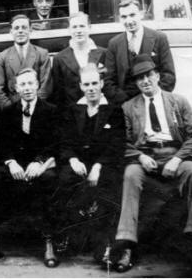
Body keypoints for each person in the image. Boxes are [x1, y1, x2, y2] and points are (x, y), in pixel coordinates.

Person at [111, 55, 192, 273]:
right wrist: (140, 157)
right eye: (139, 78)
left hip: (175, 152)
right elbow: (122, 141)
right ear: (136, 83)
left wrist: (177, 158)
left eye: (148, 76)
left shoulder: (178, 101)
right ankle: (126, 243)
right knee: (130, 176)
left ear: (157, 76)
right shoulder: (128, 107)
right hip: (144, 154)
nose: (145, 81)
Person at [0, 68, 60, 268]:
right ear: (16, 88)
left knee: (49, 181)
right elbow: (3, 145)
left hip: (40, 165)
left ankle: (49, 242)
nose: (27, 88)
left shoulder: (50, 111)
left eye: (31, 83)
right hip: (16, 165)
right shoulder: (8, 112)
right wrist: (11, 162)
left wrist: (39, 162)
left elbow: (55, 144)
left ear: (37, 85)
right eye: (22, 84)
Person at [58, 64, 124, 265]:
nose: (91, 88)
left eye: (95, 83)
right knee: (64, 180)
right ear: (81, 86)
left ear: (102, 83)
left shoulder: (113, 110)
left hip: (104, 164)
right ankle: (67, 237)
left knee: (108, 187)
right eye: (86, 84)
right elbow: (64, 141)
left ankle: (104, 246)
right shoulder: (72, 109)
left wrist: (98, 166)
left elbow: (116, 145)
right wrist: (73, 159)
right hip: (78, 162)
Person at [104, 0, 176, 105]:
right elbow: (108, 80)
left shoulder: (159, 38)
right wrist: (124, 102)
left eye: (132, 15)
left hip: (155, 102)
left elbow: (169, 75)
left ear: (141, 14)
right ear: (120, 19)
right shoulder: (114, 44)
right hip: (125, 105)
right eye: (124, 17)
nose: (129, 21)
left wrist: (153, 97)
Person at [51, 13, 106, 116]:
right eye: (74, 27)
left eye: (82, 26)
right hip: (71, 114)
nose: (78, 31)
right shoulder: (59, 58)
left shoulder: (104, 53)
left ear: (89, 28)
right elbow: (58, 93)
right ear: (69, 30)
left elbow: (108, 85)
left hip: (100, 112)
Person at [0, 14, 51, 109]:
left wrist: (35, 107)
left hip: (37, 108)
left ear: (30, 30)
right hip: (12, 109)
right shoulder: (3, 56)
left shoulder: (42, 54)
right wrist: (9, 109)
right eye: (16, 28)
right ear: (11, 32)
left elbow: (45, 86)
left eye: (24, 27)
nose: (20, 31)